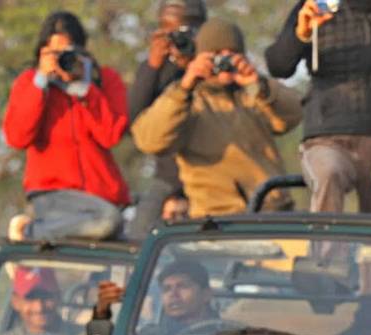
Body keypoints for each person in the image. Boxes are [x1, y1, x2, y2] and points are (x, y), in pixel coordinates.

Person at [130, 20, 304, 218]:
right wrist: (186, 85)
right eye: (216, 54)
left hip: (272, 214)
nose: (224, 60)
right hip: (216, 220)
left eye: (232, 53)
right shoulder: (187, 100)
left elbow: (294, 113)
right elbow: (149, 140)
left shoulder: (253, 95)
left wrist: (259, 85)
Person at [264, 0, 371, 214]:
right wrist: (301, 34)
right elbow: (279, 65)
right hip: (329, 138)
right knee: (328, 175)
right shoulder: (314, 6)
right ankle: (323, 247)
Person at [3, 11, 131, 242]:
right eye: (54, 53)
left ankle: (43, 231)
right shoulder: (29, 83)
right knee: (107, 222)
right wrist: (40, 82)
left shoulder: (104, 81)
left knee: (122, 229)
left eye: (67, 52)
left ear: (82, 51)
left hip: (103, 196)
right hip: (53, 194)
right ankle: (29, 232)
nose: (61, 59)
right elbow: (17, 138)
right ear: (42, 52)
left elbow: (111, 135)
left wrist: (86, 90)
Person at [128, 0, 208, 234]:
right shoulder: (159, 69)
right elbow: (134, 119)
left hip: (209, 175)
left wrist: (195, 66)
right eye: (170, 31)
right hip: (168, 176)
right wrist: (153, 65)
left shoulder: (211, 64)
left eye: (185, 31)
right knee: (138, 235)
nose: (179, 38)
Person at [137, 260, 218, 335]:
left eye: (183, 286)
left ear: (206, 294)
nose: (173, 294)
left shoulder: (224, 334)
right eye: (166, 289)